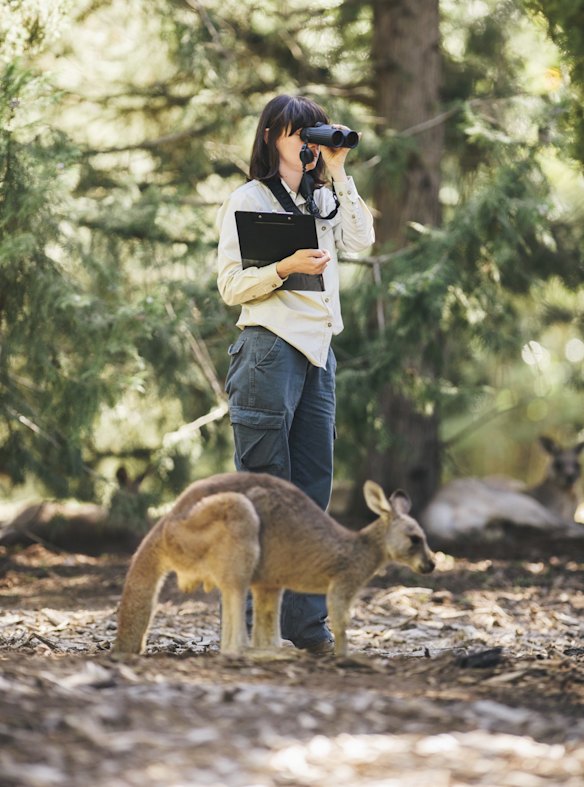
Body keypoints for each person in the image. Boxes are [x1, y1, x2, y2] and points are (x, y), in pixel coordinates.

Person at [216, 94, 375, 655]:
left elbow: (362, 241)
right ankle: (248, 632)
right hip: (268, 349)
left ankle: (306, 630)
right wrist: (283, 268)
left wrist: (338, 173)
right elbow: (231, 285)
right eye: (296, 134)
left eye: (314, 132)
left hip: (319, 354)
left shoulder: (324, 198)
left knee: (311, 497)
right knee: (262, 492)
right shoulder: (248, 198)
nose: (308, 142)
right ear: (270, 139)